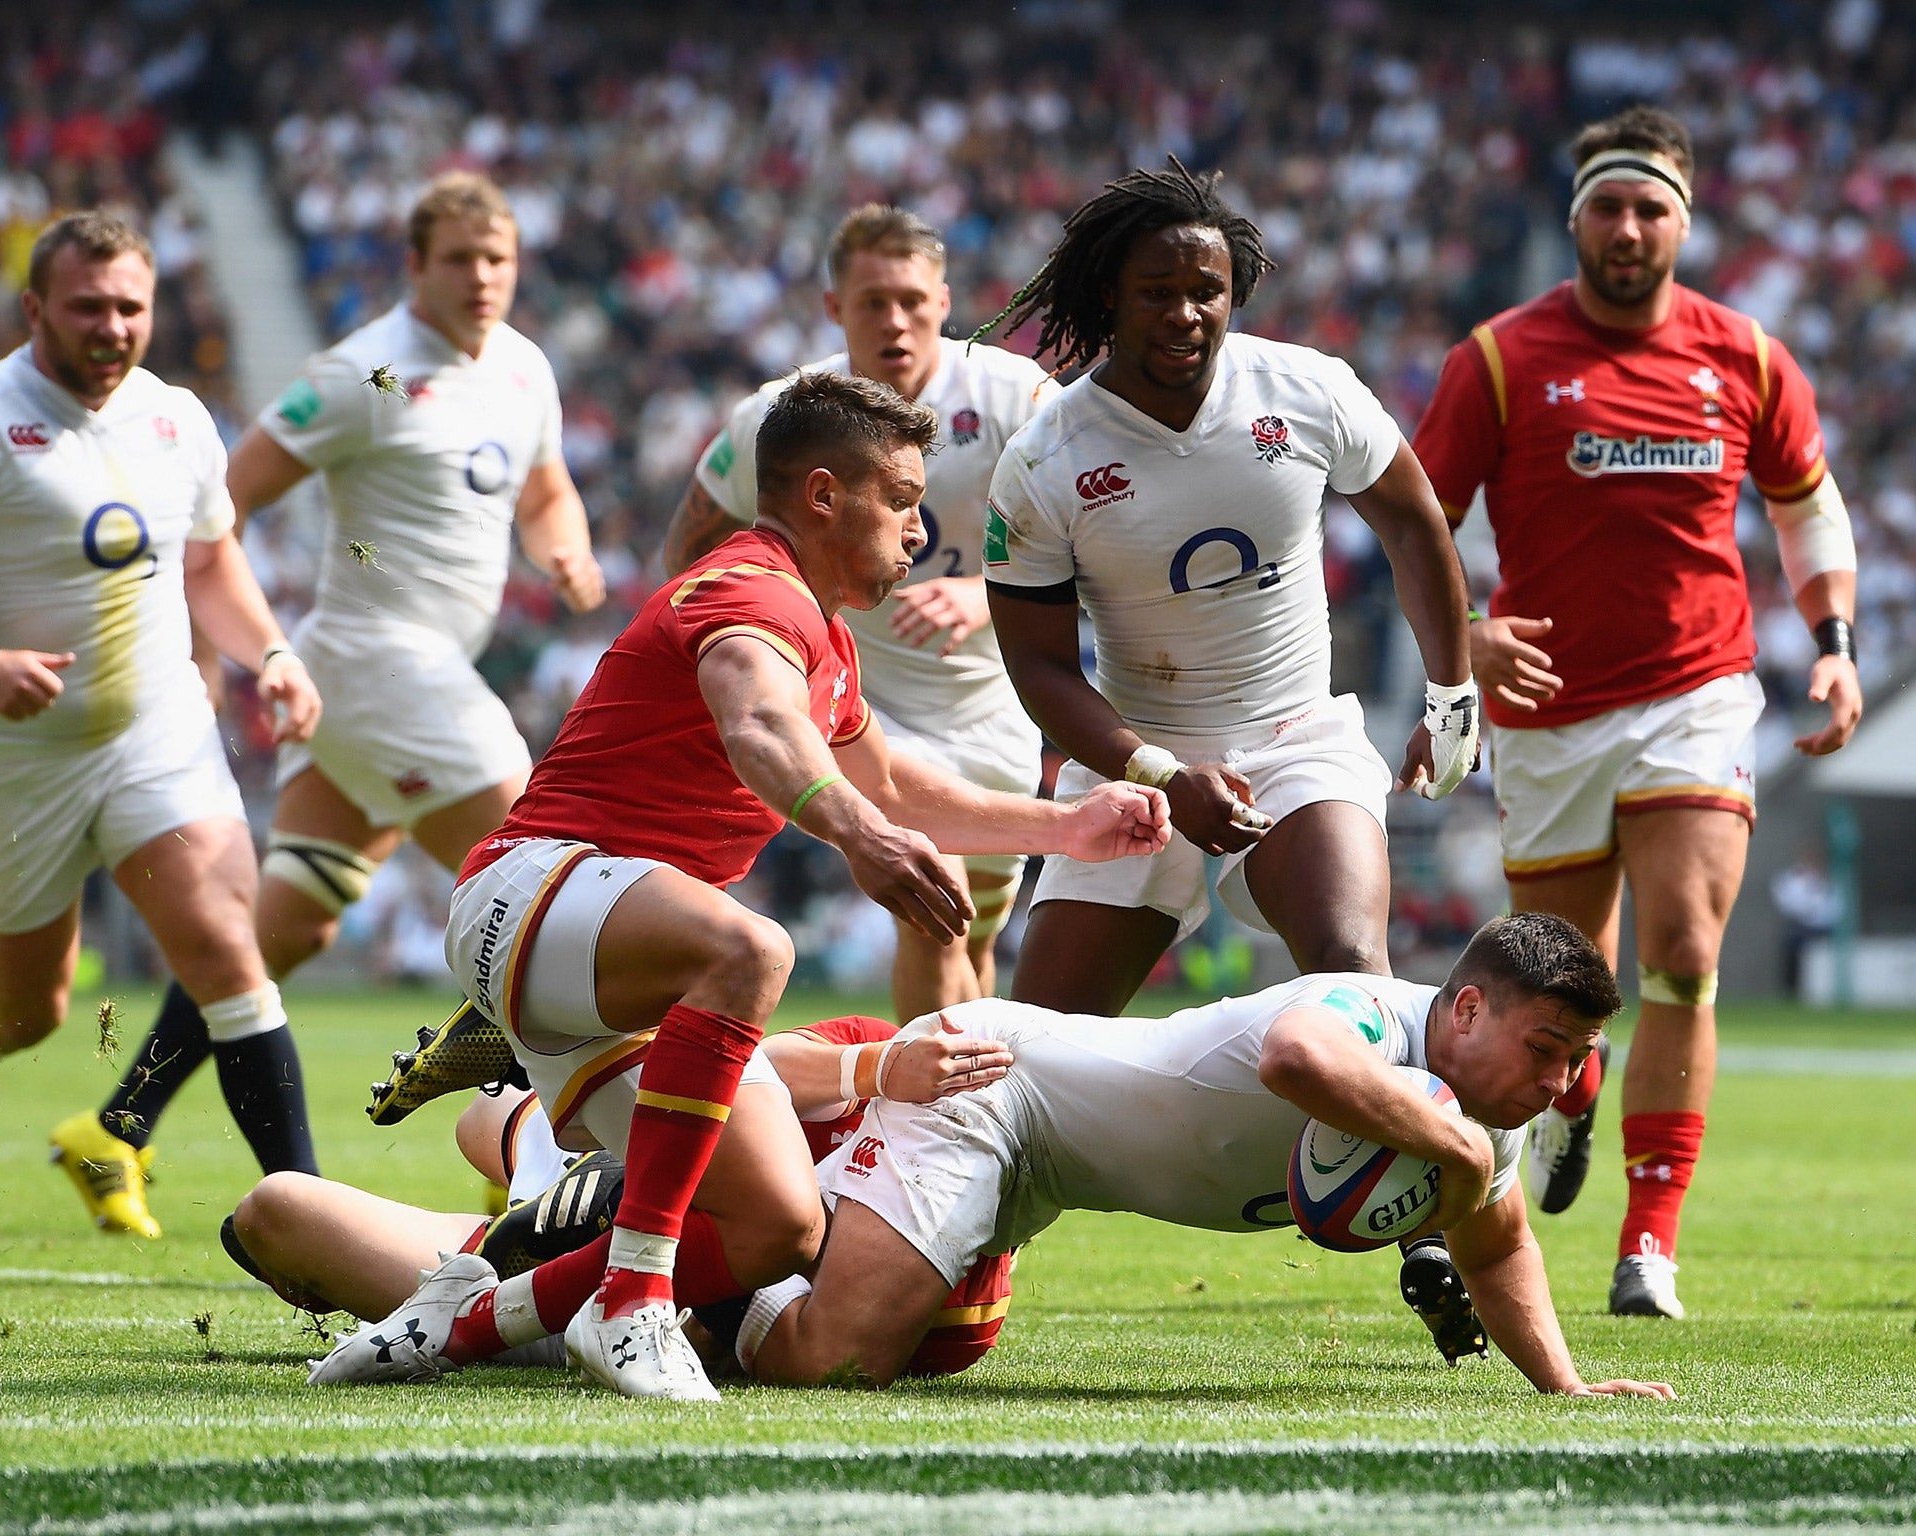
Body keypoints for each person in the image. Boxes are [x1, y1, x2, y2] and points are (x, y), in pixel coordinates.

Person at [311, 371, 1169, 1401]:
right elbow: (758, 723)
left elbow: (891, 787)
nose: (915, 531)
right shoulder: (751, 590)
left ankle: (474, 1315)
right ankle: (629, 1301)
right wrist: (860, 840)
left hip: (627, 980)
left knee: (773, 1229)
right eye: (899, 499)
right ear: (819, 494)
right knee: (752, 947)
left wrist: (1066, 825)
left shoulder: (828, 642)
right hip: (530, 889)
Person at [977, 159, 1480, 1347]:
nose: (1185, 314)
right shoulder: (1046, 458)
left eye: (1206, 289)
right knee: (1025, 1047)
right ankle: (944, 1259)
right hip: (1133, 763)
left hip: (1295, 737)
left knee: (1351, 961)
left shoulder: (1302, 389)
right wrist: (1154, 772)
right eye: (1156, 291)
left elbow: (1411, 515)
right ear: (1108, 297)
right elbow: (1041, 670)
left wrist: (1451, 693)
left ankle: (1418, 1228)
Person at [74, 174, 607, 1226]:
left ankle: (113, 1128)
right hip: (375, 660)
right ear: (414, 268)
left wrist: (566, 552)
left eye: (496, 258)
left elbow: (545, 490)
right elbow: (223, 497)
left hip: (394, 676)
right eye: (458, 259)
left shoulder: (522, 369)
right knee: (550, 882)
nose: (481, 278)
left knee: (286, 931)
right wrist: (220, 633)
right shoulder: (365, 370)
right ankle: (551, 1159)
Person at [1412, 107, 1862, 1320]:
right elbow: (1416, 518)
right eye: (1606, 207)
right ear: (1573, 221)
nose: (1627, 227)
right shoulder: (1498, 359)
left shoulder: (1748, 358)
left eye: (1649, 206)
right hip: (1548, 709)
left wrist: (1831, 646)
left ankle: (1645, 1242)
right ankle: (1569, 1094)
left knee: (1682, 954)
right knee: (1555, 990)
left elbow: (1807, 511)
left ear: (1683, 218)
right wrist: (1463, 640)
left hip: (1696, 690)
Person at [0, 212, 323, 1230]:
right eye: (87, 307)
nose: (112, 326)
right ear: (35, 308)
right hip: (11, 757)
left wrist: (274, 655)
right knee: (32, 1009)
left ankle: (318, 1228)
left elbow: (210, 562)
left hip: (155, 732)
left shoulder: (178, 419)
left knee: (227, 956)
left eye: (130, 307)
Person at [735, 914, 1669, 1400]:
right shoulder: (1369, 1014)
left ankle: (740, 1248)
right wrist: (1460, 1146)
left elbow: (1499, 1249)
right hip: (992, 1088)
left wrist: (1568, 1385)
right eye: (1543, 1048)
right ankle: (704, 1259)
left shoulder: (1494, 1113)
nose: (1557, 1083)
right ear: (1467, 1009)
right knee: (838, 1364)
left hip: (1050, 1177)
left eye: (1575, 1061)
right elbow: (1294, 1058)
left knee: (939, 1348)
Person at [664, 206, 1053, 1022]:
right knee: (929, 917)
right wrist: (782, 633)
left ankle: (979, 1115)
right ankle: (937, 1125)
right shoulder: (785, 417)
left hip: (993, 710)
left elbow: (1103, 544)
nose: (895, 320)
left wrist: (985, 593)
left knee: (970, 935)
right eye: (872, 302)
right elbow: (690, 548)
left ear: (944, 301)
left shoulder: (1017, 398)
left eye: (911, 300)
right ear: (835, 307)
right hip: (866, 713)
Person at [235, 1016, 1014, 1380]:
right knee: (502, 1127)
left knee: (278, 1211)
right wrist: (874, 1070)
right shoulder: (919, 1061)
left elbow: (781, 1340)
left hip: (593, 1281)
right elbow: (765, 1060)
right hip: (631, 1177)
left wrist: (614, 1215)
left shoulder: (950, 1300)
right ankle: (539, 1091)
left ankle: (545, 1080)